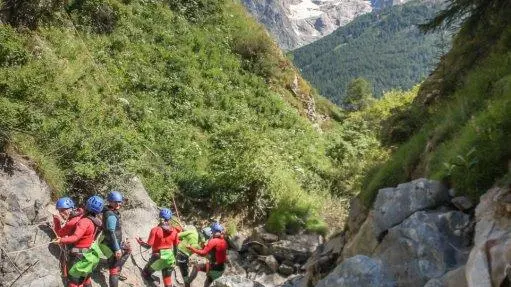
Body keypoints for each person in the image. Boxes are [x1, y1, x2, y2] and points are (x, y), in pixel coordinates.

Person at [55, 195, 104, 287]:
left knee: (74, 282)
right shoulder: (95, 220)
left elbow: (75, 237)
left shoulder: (83, 221)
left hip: (78, 255)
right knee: (85, 279)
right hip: (89, 254)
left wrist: (61, 238)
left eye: (62, 210)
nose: (60, 213)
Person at [136, 208, 180, 287]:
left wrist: (140, 243)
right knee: (167, 280)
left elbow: (148, 246)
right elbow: (176, 248)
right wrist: (175, 260)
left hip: (158, 256)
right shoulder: (175, 231)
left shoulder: (155, 230)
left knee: (145, 273)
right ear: (170, 218)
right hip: (170, 258)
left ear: (160, 217)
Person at [100, 190, 130, 287]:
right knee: (114, 268)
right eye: (115, 202)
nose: (118, 204)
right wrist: (117, 248)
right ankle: (116, 269)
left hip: (107, 242)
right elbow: (111, 231)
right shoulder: (111, 215)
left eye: (119, 202)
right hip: (111, 244)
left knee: (128, 249)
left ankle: (116, 267)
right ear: (110, 202)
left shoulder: (110, 211)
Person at [187, 222, 228, 287]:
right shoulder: (224, 241)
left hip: (213, 267)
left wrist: (191, 248)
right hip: (221, 268)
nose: (211, 232)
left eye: (212, 231)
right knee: (208, 281)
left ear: (213, 231)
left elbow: (203, 253)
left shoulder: (213, 241)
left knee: (196, 267)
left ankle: (187, 284)